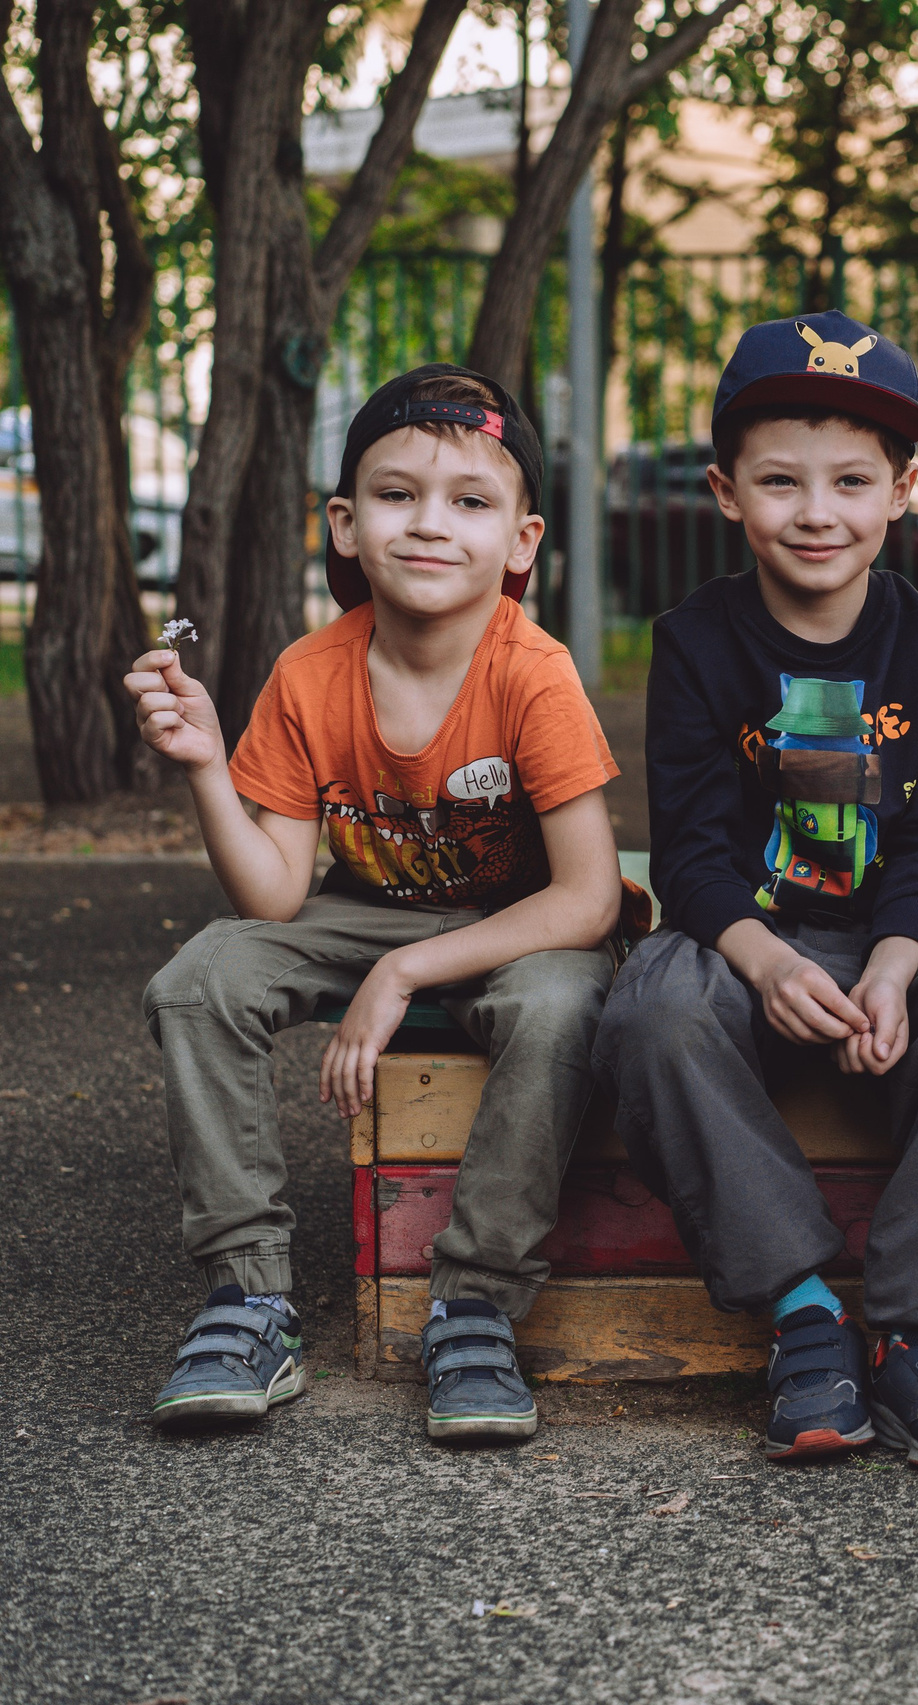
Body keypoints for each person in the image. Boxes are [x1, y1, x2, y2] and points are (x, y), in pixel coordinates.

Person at [129, 366, 625, 1442]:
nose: (431, 524)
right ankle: (249, 1297)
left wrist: (402, 975)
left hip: (522, 922)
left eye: (470, 501)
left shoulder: (532, 674)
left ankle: (475, 1307)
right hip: (367, 909)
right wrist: (209, 767)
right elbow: (270, 893)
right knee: (199, 981)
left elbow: (588, 899)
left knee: (560, 1008)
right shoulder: (309, 675)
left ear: (522, 541)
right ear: (346, 526)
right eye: (397, 496)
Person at [592, 312, 918, 1469]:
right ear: (726, 493)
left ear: (900, 492)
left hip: (885, 942)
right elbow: (687, 853)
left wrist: (896, 967)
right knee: (647, 1005)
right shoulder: (694, 643)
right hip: (749, 946)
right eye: (781, 481)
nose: (817, 511)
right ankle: (804, 1313)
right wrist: (767, 960)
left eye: (851, 481)